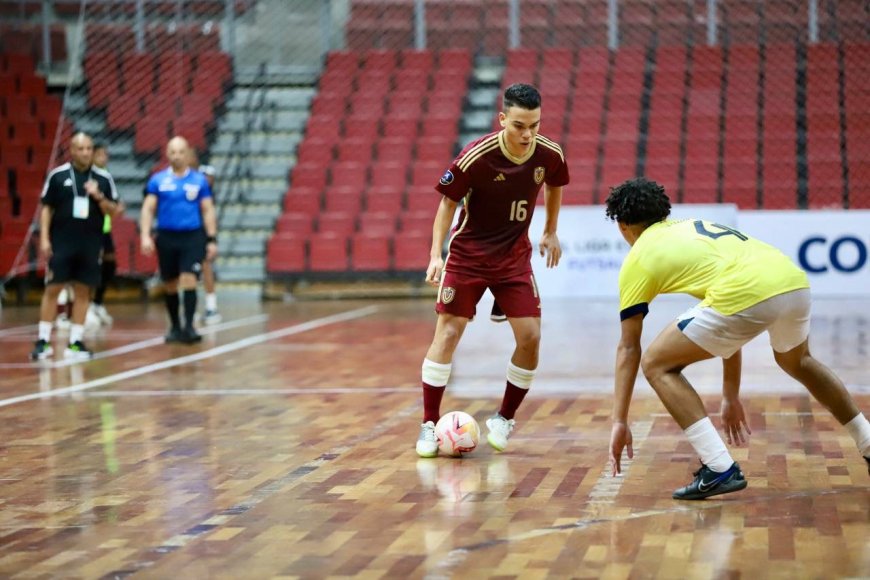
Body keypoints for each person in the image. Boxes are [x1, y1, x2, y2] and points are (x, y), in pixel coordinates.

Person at [605, 177, 870, 500]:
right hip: (793, 281)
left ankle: (719, 466)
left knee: (656, 363)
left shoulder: (638, 258)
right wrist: (730, 395)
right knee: (798, 361)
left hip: (746, 293)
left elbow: (629, 347)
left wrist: (619, 419)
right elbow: (727, 323)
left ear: (622, 227)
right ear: (663, 212)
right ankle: (867, 440)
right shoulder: (693, 226)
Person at [415, 83, 569, 458]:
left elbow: (555, 184)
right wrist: (436, 254)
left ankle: (504, 418)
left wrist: (550, 230)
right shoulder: (475, 157)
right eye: (519, 125)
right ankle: (429, 425)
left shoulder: (549, 153)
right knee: (449, 333)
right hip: (468, 256)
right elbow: (446, 205)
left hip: (514, 257)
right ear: (502, 119)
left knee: (531, 337)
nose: (527, 134)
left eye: (534, 124)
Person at [30, 132, 120, 360]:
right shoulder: (58, 176)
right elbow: (47, 208)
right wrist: (44, 239)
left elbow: (115, 211)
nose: (86, 153)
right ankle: (42, 341)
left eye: (89, 148)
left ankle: (76, 342)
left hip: (90, 244)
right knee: (53, 289)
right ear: (72, 150)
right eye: (81, 149)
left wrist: (98, 196)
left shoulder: (103, 178)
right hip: (62, 243)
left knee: (83, 292)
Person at [140, 136, 218, 344]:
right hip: (166, 236)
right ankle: (174, 326)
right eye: (173, 152)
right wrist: (145, 235)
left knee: (189, 278)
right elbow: (148, 208)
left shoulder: (199, 181)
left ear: (188, 154)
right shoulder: (157, 180)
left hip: (192, 236)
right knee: (170, 283)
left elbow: (208, 210)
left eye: (181, 152)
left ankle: (189, 326)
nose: (177, 156)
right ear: (167, 154)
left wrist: (211, 239)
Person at [87, 142, 125, 326]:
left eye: (105, 155)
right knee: (87, 267)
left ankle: (97, 302)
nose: (104, 158)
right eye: (100, 154)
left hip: (104, 229)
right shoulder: (84, 176)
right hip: (86, 230)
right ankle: (81, 308)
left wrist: (117, 208)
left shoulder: (105, 177)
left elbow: (116, 205)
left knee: (109, 264)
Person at [187, 147, 221, 324]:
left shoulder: (202, 181)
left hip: (202, 230)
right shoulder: (180, 179)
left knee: (206, 265)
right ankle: (189, 308)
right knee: (187, 270)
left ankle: (211, 306)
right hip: (186, 230)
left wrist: (211, 237)